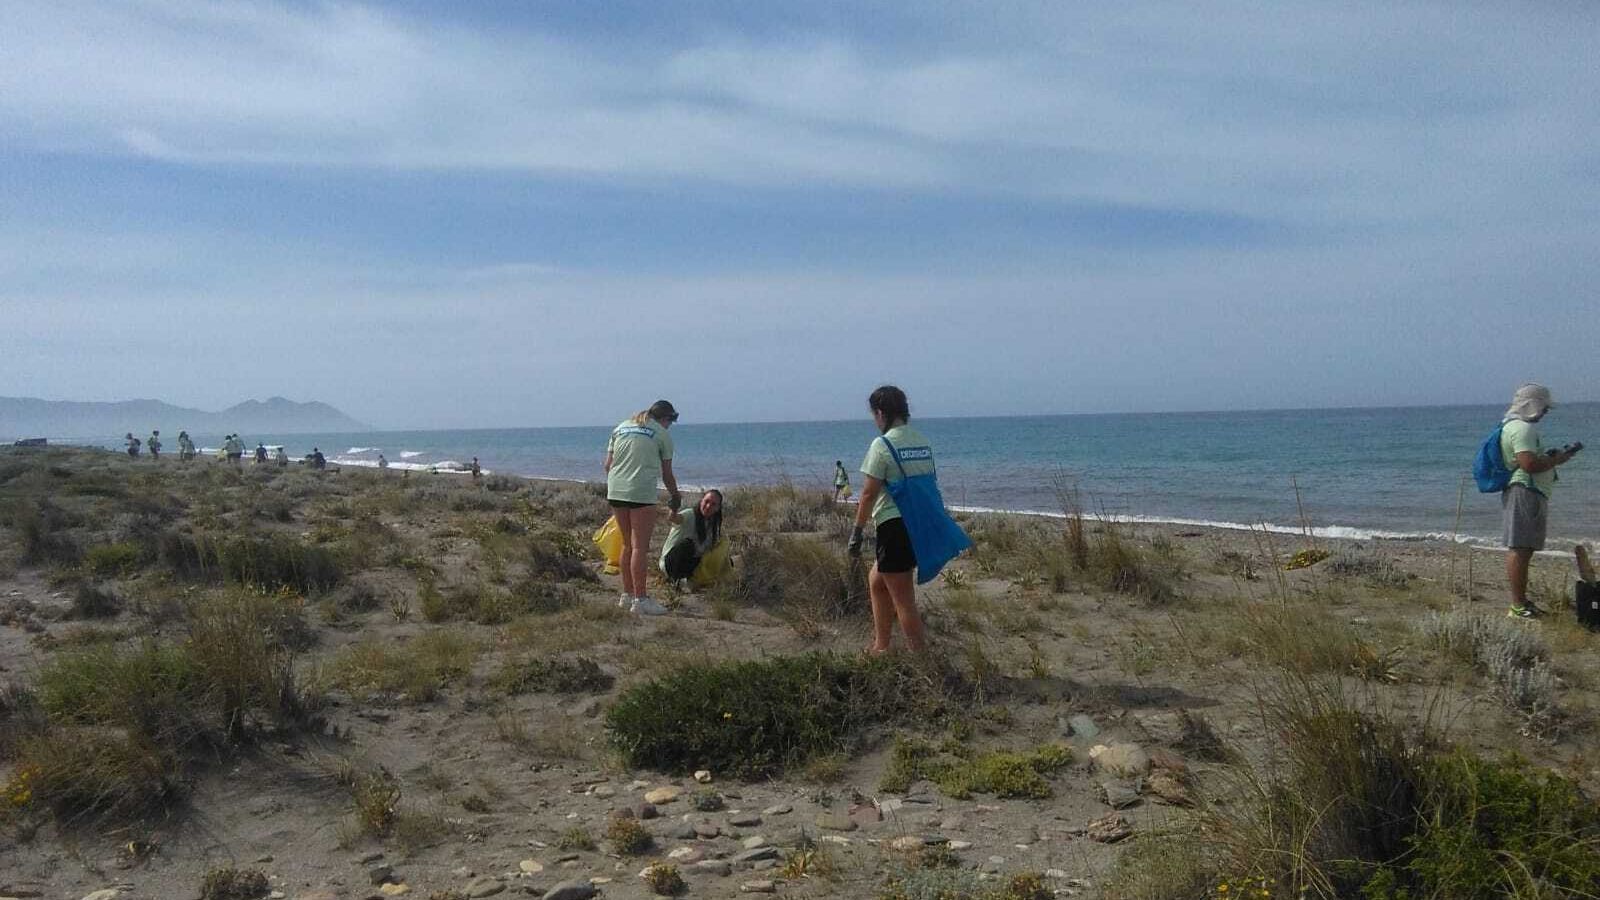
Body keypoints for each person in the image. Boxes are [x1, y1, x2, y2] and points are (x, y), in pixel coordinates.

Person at [848, 385, 933, 653]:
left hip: (894, 526)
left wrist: (857, 532)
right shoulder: (922, 441)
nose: (875, 421)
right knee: (876, 579)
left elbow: (868, 493)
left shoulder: (882, 444)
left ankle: (923, 663)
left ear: (881, 413)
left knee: (904, 600)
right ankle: (881, 646)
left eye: (875, 414)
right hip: (918, 523)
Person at [1500, 383, 1581, 618]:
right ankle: (1518, 606)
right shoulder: (1523, 429)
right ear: (1533, 406)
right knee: (1520, 548)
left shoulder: (1511, 426)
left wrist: (1551, 459)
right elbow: (1529, 464)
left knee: (1522, 548)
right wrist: (1555, 460)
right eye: (1544, 407)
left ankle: (1521, 602)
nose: (1545, 412)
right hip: (1526, 490)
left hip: (1524, 490)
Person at [604, 400, 680, 616]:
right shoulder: (662, 435)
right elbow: (667, 474)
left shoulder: (621, 427)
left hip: (616, 490)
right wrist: (675, 495)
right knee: (640, 547)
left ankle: (626, 595)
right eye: (670, 421)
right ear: (665, 418)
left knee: (627, 544)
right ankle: (641, 599)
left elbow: (607, 465)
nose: (669, 426)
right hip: (640, 492)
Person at [660, 489, 726, 587]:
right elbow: (674, 518)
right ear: (701, 501)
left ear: (718, 508)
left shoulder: (712, 524)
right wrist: (673, 509)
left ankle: (689, 579)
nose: (708, 506)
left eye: (713, 504)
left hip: (690, 562)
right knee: (688, 545)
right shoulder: (690, 515)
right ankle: (676, 579)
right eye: (706, 502)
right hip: (671, 563)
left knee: (722, 545)